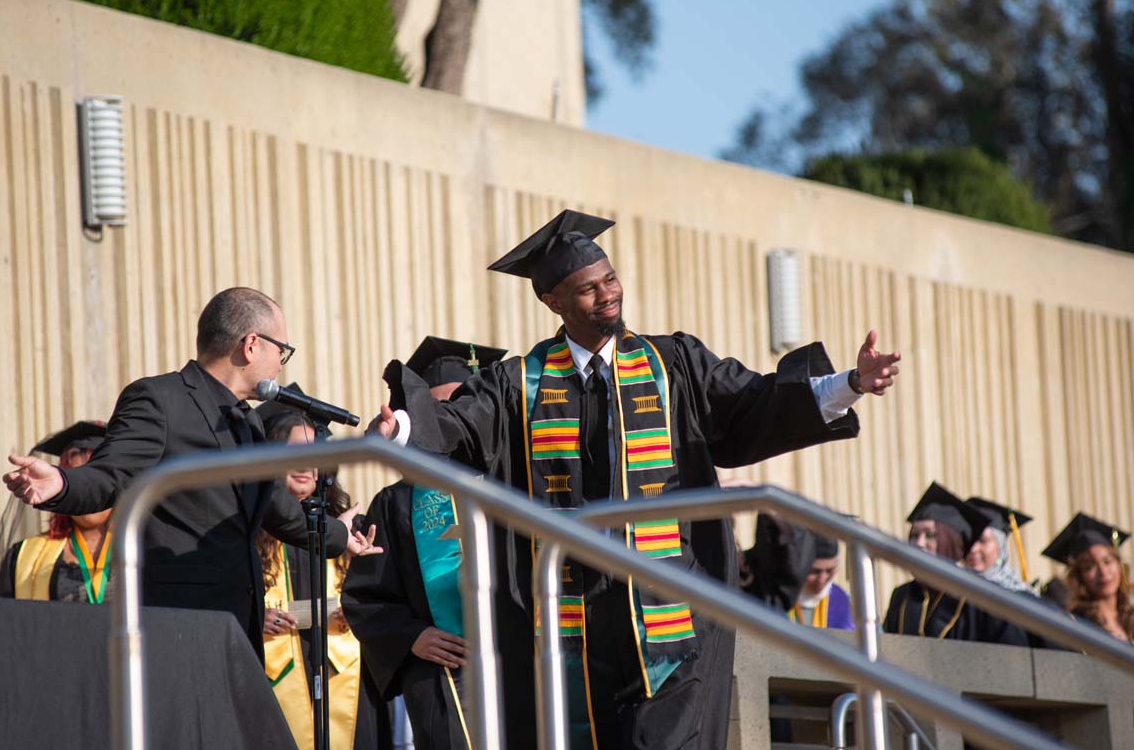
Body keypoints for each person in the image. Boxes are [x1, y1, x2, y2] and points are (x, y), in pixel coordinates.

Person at [370, 210, 901, 750]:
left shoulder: (673, 364)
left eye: (610, 279)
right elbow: (462, 425)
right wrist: (402, 427)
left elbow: (753, 402)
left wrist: (850, 383)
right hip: (572, 616)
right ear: (553, 301)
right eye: (588, 289)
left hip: (671, 609)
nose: (608, 295)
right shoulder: (519, 384)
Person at [1, 287, 379, 658]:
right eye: (282, 350)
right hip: (177, 623)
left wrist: (340, 534)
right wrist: (61, 483)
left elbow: (278, 509)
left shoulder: (248, 423)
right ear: (251, 345)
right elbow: (112, 474)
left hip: (238, 624)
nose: (281, 364)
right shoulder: (160, 400)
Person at [344, 336, 507, 750]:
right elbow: (366, 596)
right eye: (434, 410)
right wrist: (411, 636)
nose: (445, 421)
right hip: (441, 675)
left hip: (519, 659)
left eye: (458, 406)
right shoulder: (396, 503)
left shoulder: (511, 483)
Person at [257, 407, 389, 750]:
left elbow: (385, 599)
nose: (305, 465)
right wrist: (254, 616)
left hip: (347, 677)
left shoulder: (351, 530)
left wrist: (360, 611)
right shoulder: (246, 534)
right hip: (269, 678)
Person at [883, 482, 1026, 645]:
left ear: (957, 548)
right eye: (914, 536)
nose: (919, 543)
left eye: (931, 535)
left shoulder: (986, 601)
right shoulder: (902, 597)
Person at [0, 421, 114, 601]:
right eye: (77, 486)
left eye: (96, 487)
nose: (87, 498)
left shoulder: (145, 548)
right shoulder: (24, 556)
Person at [1042, 513, 1134, 642]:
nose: (1103, 572)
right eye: (1089, 567)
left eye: (1108, 561)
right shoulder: (1078, 622)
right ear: (1079, 577)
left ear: (1119, 565)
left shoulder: (1129, 617)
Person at [964, 497, 1037, 595]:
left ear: (1000, 545)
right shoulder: (951, 591)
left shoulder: (1021, 596)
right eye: (969, 539)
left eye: (983, 541)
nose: (973, 549)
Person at [788, 534, 854, 630]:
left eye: (829, 571)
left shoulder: (842, 602)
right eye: (814, 571)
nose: (822, 580)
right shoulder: (772, 599)